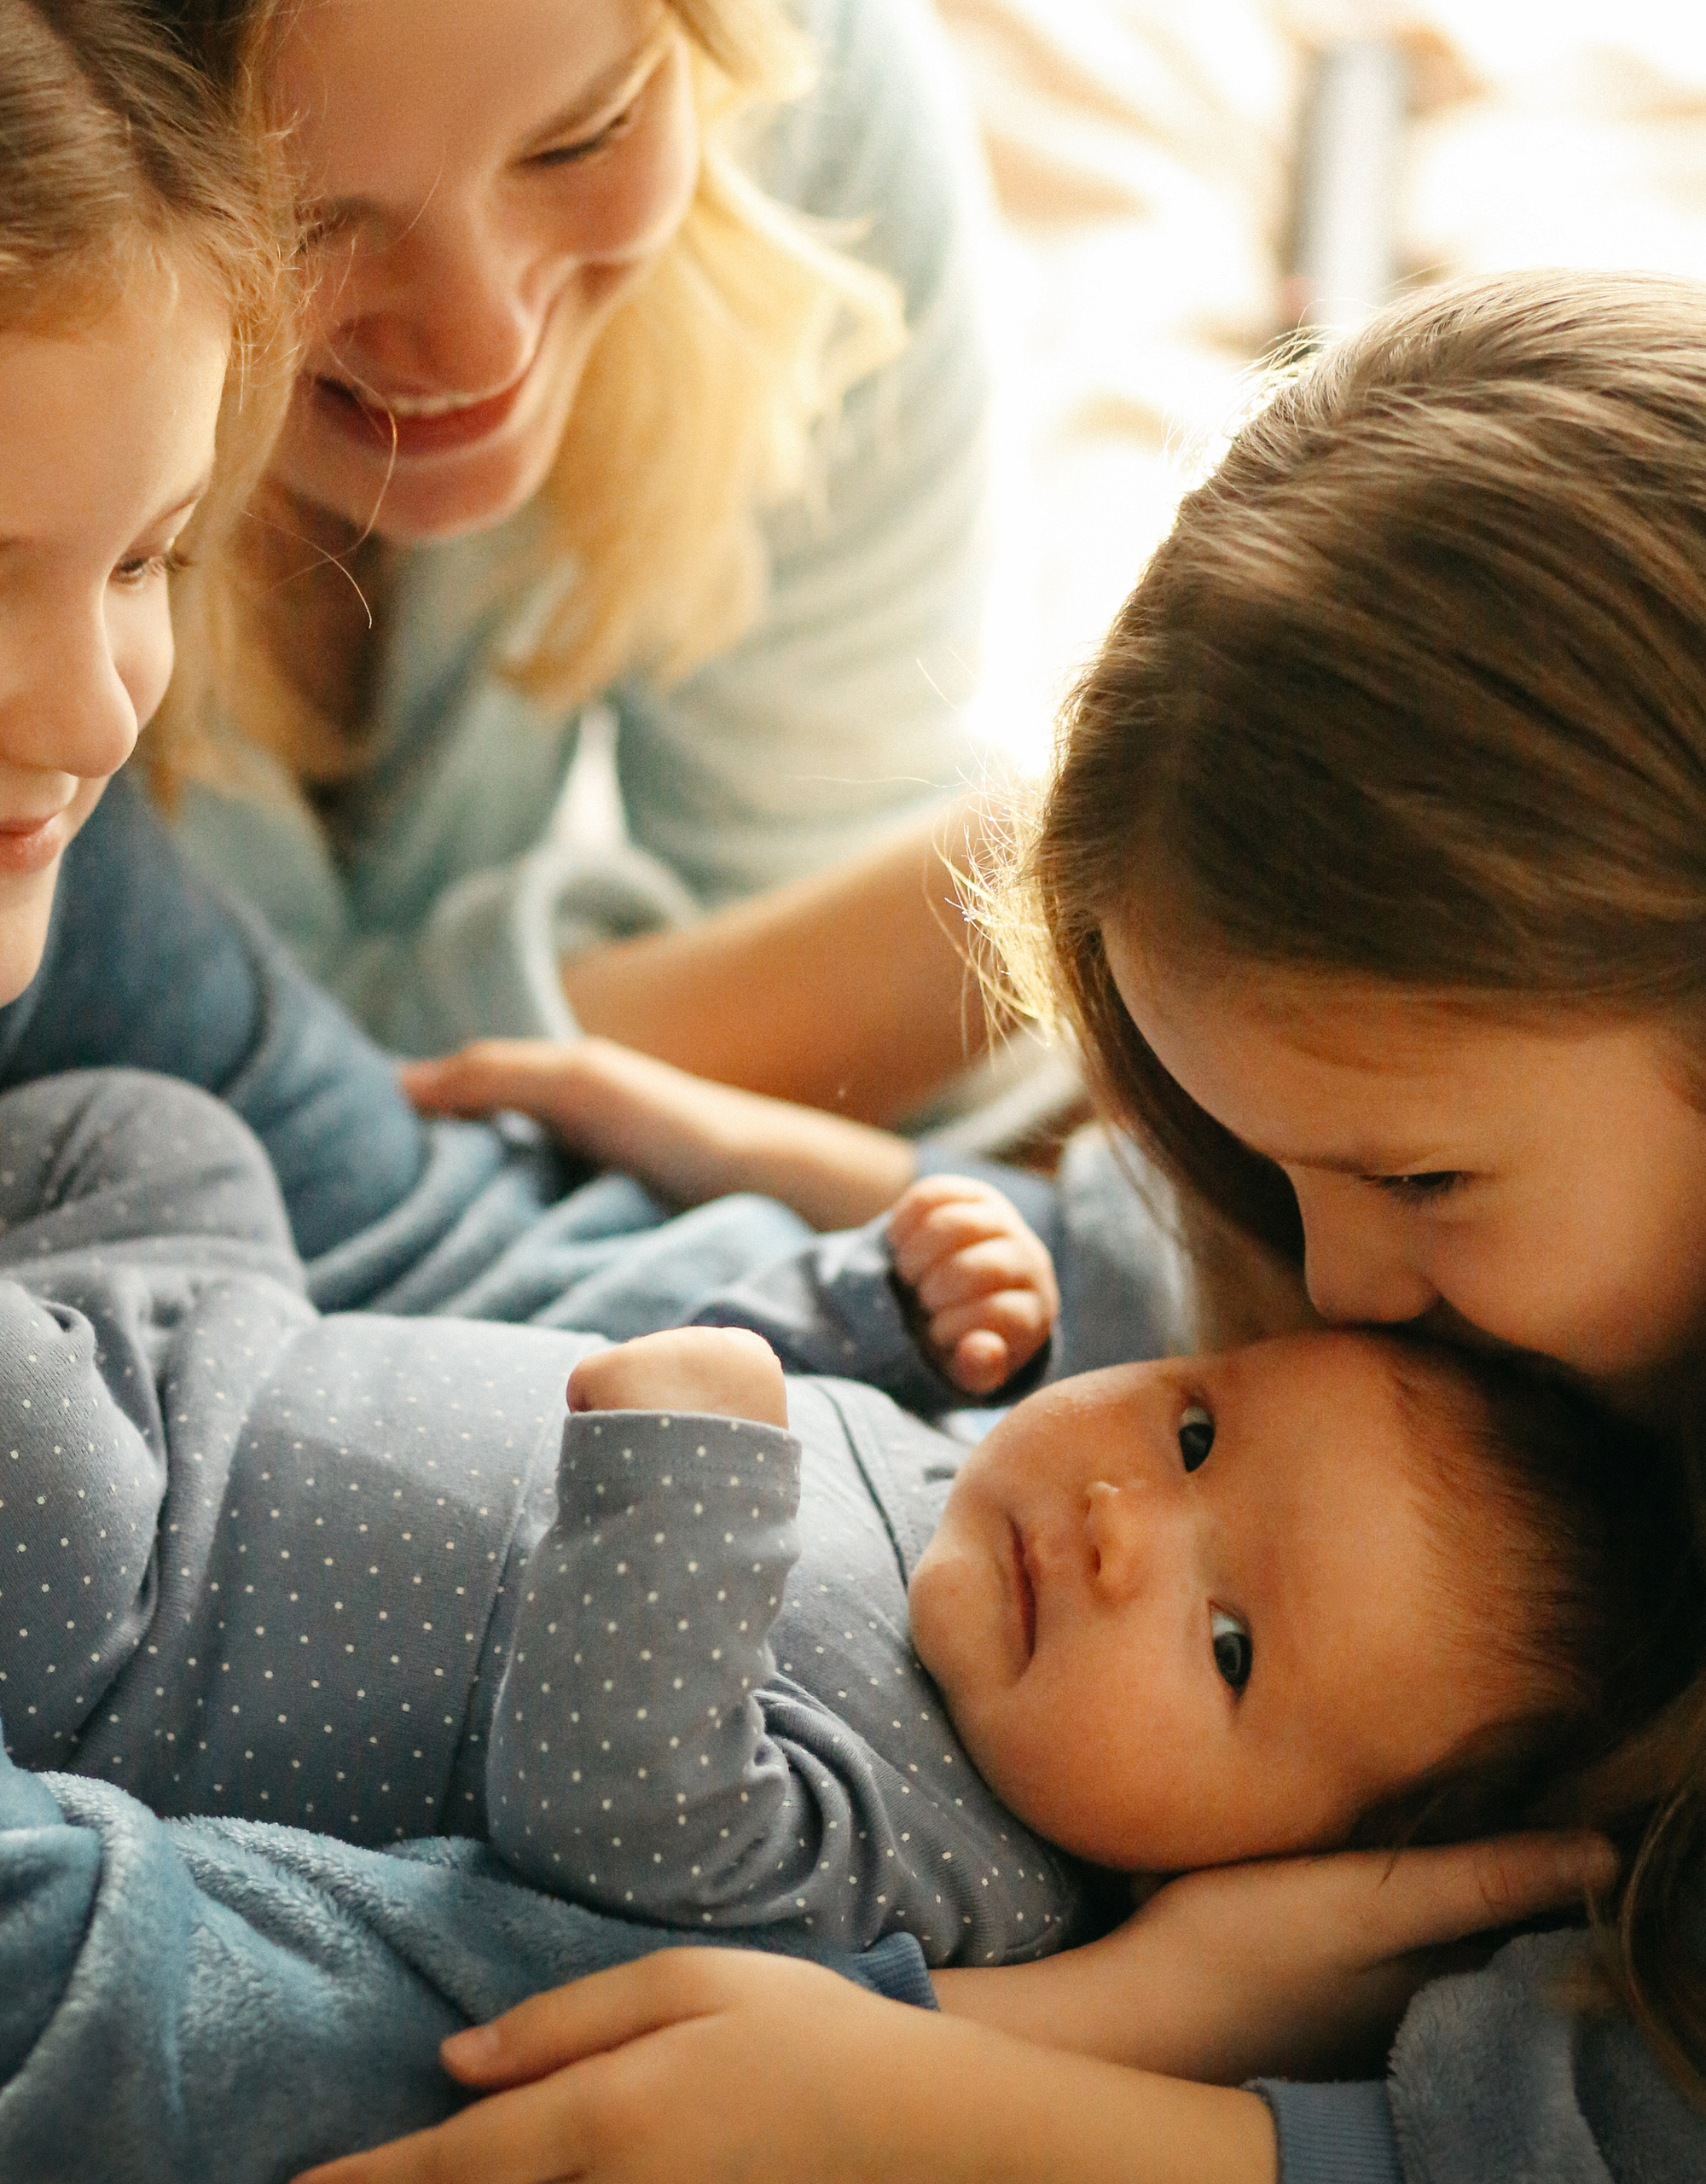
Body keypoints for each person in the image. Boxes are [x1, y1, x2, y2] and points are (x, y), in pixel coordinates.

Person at [0, 7, 936, 2177]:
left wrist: (1036, 1305)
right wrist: (1003, 2039)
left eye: (157, 557)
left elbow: (418, 1229)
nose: (101, 714)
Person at [299, 269, 1706, 2184]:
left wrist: (961, 2082)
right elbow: (1080, 1250)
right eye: (1257, 1157)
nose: (1339, 1285)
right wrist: (705, 1124)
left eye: (1418, 1180)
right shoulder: (1382, 1237)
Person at [0, 1067, 1683, 1974]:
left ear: (1276, 1858)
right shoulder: (958, 1475)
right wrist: (869, 1301)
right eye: (1189, 1431)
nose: (1116, 1524)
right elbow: (669, 1352)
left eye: (1227, 1640)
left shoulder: (965, 1863)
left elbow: (620, 1814)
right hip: (232, 1337)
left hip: (129, 1608)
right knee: (161, 1133)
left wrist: (695, 1463)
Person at [153, 0, 1003, 1119]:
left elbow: (824, 903)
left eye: (583, 139)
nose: (484, 345)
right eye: (293, 226)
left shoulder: (811, 81)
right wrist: (1092, 854)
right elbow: (228, 1092)